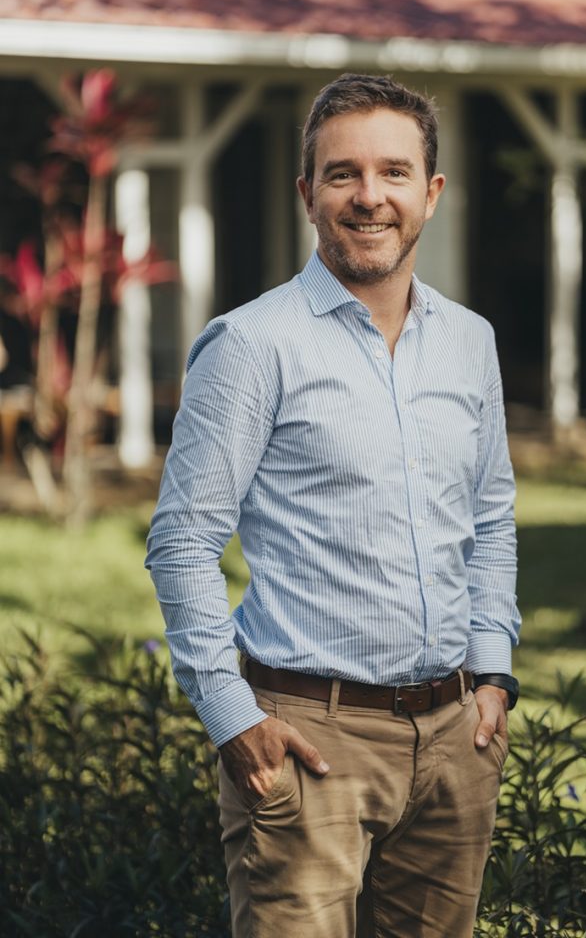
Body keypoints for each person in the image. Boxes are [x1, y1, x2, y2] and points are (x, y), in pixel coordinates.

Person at [146, 73, 521, 938]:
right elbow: (183, 542)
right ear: (306, 193)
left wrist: (493, 672)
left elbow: (489, 518)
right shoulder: (252, 345)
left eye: (393, 172)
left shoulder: (470, 343)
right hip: (309, 740)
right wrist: (232, 719)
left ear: (431, 193)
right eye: (342, 173)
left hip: (456, 738)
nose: (368, 196)